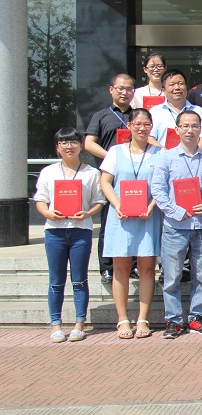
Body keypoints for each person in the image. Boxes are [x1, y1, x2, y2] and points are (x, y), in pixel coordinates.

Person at [34, 128, 106, 343]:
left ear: (81, 146)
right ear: (57, 148)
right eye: (63, 143)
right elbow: (40, 199)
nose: (69, 146)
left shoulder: (91, 173)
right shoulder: (48, 172)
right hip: (54, 232)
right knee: (56, 281)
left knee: (79, 280)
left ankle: (79, 324)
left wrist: (88, 213)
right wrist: (47, 213)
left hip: (80, 231)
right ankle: (56, 325)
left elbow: (99, 200)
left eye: (73, 142)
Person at [151, 110, 202, 339]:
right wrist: (176, 211)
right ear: (177, 129)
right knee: (172, 277)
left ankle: (198, 317)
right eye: (185, 126)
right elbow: (158, 190)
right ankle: (174, 320)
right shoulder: (166, 158)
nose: (190, 130)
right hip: (175, 226)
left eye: (194, 126)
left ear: (201, 129)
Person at [99, 109, 162, 339]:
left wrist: (152, 205)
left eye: (146, 124)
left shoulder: (160, 153)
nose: (142, 128)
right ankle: (123, 319)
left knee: (147, 268)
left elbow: (163, 185)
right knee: (121, 269)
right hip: (121, 217)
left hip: (148, 216)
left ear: (151, 126)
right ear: (129, 126)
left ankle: (143, 318)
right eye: (138, 124)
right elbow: (105, 181)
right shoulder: (115, 152)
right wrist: (117, 204)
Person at [84, 73, 135, 284]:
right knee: (108, 222)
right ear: (111, 90)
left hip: (134, 177)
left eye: (129, 89)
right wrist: (114, 157)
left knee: (135, 220)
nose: (124, 92)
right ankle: (106, 267)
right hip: (110, 177)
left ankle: (133, 264)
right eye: (120, 88)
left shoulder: (139, 115)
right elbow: (89, 143)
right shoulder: (101, 115)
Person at [150, 69, 202, 151]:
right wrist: (167, 154)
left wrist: (192, 154)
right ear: (164, 90)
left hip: (193, 157)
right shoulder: (155, 112)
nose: (177, 88)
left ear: (186, 87)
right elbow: (150, 138)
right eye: (172, 85)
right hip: (163, 156)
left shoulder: (198, 111)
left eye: (180, 84)